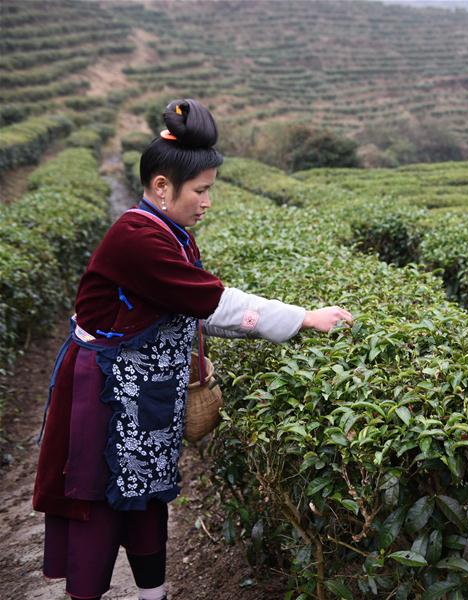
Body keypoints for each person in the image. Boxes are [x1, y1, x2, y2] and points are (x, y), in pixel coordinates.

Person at [32, 99, 353, 600]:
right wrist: (304, 319)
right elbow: (210, 301)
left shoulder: (170, 232)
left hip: (145, 391)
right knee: (100, 503)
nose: (207, 202)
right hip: (108, 395)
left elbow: (187, 307)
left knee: (148, 498)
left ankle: (152, 593)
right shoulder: (136, 236)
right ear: (162, 187)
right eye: (201, 191)